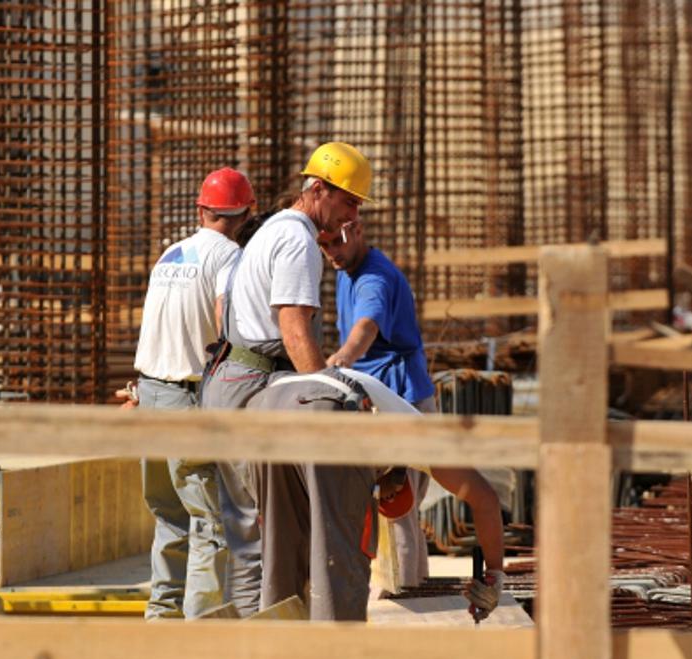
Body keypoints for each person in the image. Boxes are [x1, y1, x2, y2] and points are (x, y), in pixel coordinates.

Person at [200, 141, 373, 616]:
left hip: (232, 380)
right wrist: (324, 394)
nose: (351, 215)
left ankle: (257, 656)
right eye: (348, 201)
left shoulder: (274, 228)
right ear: (317, 190)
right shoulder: (298, 240)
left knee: (250, 536)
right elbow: (294, 329)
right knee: (260, 538)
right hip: (250, 385)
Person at [245, 366, 505, 622]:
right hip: (328, 403)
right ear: (401, 477)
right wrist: (495, 576)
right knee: (339, 565)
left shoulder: (385, 418)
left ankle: (277, 657)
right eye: (386, 497)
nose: (380, 497)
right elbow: (486, 500)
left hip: (266, 406)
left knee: (280, 560)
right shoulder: (424, 439)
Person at [133, 167, 253, 619]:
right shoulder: (229, 257)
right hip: (188, 399)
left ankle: (162, 620)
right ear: (247, 212)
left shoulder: (171, 254)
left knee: (169, 516)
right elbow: (224, 319)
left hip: (151, 395)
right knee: (211, 524)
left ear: (201, 209)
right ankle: (199, 637)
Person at [318, 216, 438, 591]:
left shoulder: (373, 278)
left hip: (401, 399)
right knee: (402, 507)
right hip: (392, 396)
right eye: (324, 245)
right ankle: (413, 586)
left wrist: (340, 360)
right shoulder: (347, 269)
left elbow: (366, 328)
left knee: (396, 504)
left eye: (337, 242)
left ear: (356, 230)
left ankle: (406, 591)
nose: (331, 253)